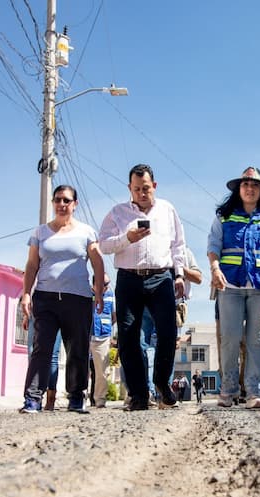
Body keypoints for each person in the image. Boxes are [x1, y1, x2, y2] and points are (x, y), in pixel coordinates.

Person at [99, 163, 186, 411]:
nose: (141, 193)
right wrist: (127, 238)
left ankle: (161, 383)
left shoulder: (168, 210)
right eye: (136, 189)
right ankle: (138, 394)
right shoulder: (117, 213)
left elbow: (178, 245)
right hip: (129, 278)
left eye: (146, 188)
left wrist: (179, 275)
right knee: (129, 336)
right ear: (130, 188)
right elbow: (103, 245)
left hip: (162, 278)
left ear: (154, 186)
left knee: (168, 333)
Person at [19, 185, 104, 414]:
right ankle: (32, 399)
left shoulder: (86, 232)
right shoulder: (40, 233)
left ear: (75, 204)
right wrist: (26, 293)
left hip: (77, 299)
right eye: (58, 200)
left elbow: (97, 262)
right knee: (42, 348)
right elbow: (31, 265)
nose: (61, 204)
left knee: (77, 349)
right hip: (45, 298)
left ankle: (76, 397)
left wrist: (98, 293)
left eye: (66, 200)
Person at [208, 166, 260, 410]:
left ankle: (254, 392)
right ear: (238, 189)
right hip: (229, 284)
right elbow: (213, 244)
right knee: (230, 338)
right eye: (245, 184)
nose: (250, 188)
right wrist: (215, 269)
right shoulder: (225, 216)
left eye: (254, 185)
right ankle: (229, 391)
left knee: (255, 340)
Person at [89, 274, 116, 408]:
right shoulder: (86, 293)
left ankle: (99, 399)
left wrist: (108, 327)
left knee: (102, 371)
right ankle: (78, 397)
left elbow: (114, 315)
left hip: (103, 336)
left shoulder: (110, 294)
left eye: (107, 283)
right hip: (86, 336)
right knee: (81, 369)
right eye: (104, 284)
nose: (107, 286)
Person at [24, 317, 61, 411]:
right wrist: (26, 316)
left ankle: (50, 398)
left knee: (51, 355)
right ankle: (35, 398)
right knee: (34, 354)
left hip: (55, 310)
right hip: (35, 312)